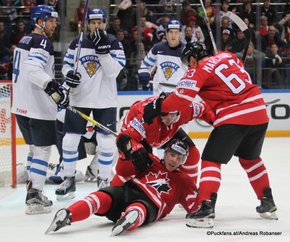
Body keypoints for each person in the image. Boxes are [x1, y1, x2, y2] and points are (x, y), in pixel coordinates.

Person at [143, 42, 278, 228]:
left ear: (192, 58)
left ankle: (205, 208)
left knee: (211, 160)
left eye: (188, 63)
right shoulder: (228, 56)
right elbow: (236, 74)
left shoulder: (198, 68)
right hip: (259, 112)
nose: (188, 67)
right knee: (251, 158)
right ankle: (267, 201)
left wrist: (158, 107)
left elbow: (181, 99)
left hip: (234, 115)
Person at [45, 139, 198, 236]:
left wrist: (206, 201)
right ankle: (68, 214)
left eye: (180, 158)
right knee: (101, 196)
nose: (175, 160)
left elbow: (196, 206)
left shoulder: (184, 181)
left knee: (139, 208)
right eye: (172, 155)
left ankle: (130, 218)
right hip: (128, 190)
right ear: (165, 153)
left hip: (153, 204)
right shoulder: (149, 160)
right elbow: (123, 170)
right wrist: (129, 151)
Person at [56, 7, 125, 200]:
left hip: (105, 100)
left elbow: (113, 73)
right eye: (92, 22)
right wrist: (69, 75)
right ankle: (68, 179)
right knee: (69, 139)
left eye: (99, 22)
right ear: (87, 24)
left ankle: (103, 179)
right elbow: (67, 65)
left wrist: (103, 52)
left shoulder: (114, 43)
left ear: (104, 23)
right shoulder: (77, 42)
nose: (96, 25)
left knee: (106, 142)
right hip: (80, 97)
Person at [11, 5, 68, 214]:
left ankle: (32, 185)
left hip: (21, 106)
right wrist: (51, 86)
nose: (55, 24)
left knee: (35, 149)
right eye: (51, 20)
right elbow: (33, 68)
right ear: (40, 22)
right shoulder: (42, 41)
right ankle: (34, 195)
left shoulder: (24, 40)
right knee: (43, 150)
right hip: (37, 107)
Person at [114, 94, 214, 185]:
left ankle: (189, 191)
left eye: (171, 115)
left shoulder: (186, 108)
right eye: (163, 114)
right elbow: (123, 138)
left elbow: (205, 109)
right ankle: (114, 188)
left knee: (192, 155)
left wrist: (218, 123)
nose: (167, 119)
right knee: (138, 162)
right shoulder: (147, 117)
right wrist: (136, 148)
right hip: (141, 133)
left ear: (179, 111)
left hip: (166, 132)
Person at [138, 20, 187, 94]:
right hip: (159, 92)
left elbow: (193, 72)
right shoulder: (157, 48)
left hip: (179, 93)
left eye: (176, 32)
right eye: (170, 32)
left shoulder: (186, 51)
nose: (173, 35)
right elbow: (145, 65)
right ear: (166, 34)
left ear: (180, 34)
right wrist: (144, 72)